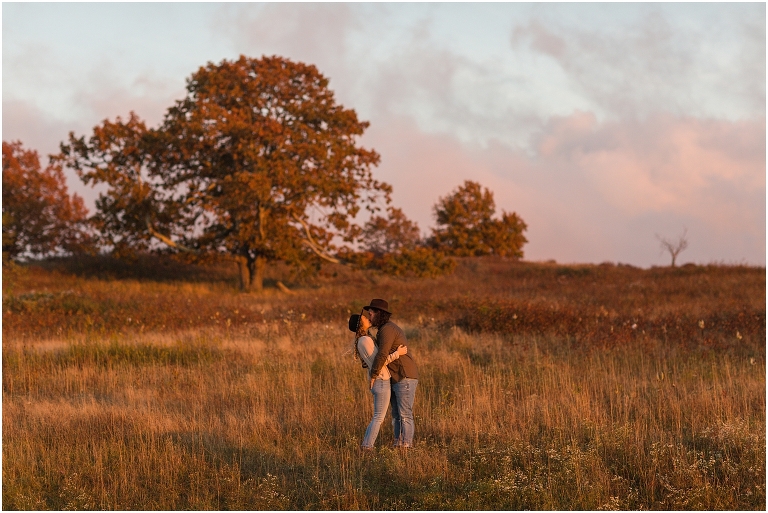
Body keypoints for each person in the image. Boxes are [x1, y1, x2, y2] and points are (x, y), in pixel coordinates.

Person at [363, 298, 419, 449]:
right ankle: (397, 443)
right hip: (395, 376)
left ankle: (405, 445)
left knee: (404, 413)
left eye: (372, 312)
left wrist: (373, 375)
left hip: (404, 375)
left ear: (379, 313)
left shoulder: (387, 329)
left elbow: (382, 355)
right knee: (396, 414)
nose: (369, 315)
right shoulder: (383, 329)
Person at [348, 310, 408, 450]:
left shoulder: (363, 340)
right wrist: (397, 354)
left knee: (378, 416)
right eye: (364, 318)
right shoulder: (365, 340)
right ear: (360, 324)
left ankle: (366, 445)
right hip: (381, 381)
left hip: (379, 381)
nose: (368, 318)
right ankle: (367, 446)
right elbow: (379, 362)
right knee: (378, 417)